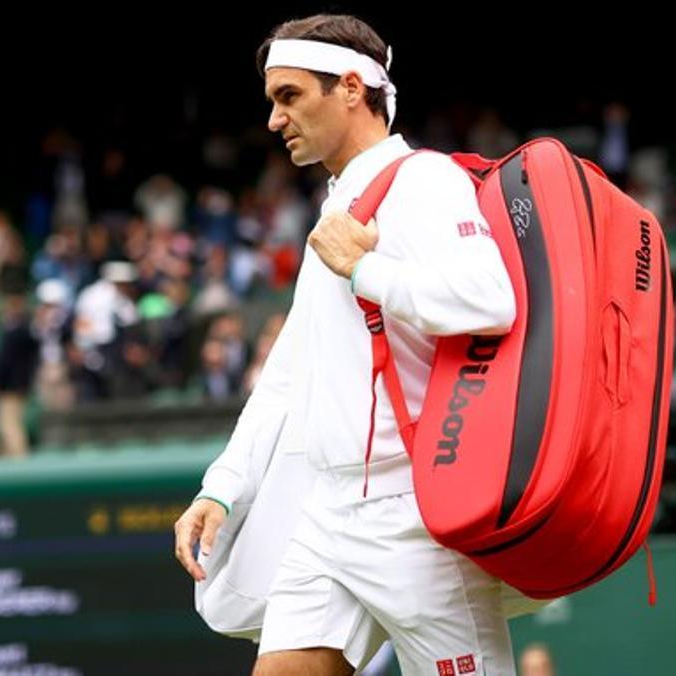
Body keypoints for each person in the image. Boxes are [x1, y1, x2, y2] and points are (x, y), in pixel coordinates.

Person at [174, 13, 519, 675]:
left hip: (416, 519)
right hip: (327, 518)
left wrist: (363, 270)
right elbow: (288, 374)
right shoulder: (339, 206)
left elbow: (488, 299)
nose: (275, 119)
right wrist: (221, 488)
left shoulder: (425, 179)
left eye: (290, 95)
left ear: (354, 88)